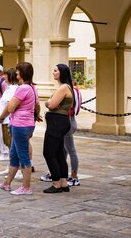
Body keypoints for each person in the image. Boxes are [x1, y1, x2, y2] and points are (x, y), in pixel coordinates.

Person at [0, 61, 40, 195]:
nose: (15, 72)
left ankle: (26, 187)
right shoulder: (31, 87)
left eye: (17, 71)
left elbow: (10, 107)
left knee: (24, 157)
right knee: (14, 156)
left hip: (20, 125)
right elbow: (35, 105)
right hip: (23, 124)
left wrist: (1, 117)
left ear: (22, 73)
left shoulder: (23, 88)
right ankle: (7, 183)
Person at [41, 63, 75, 193]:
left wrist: (48, 103)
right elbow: (53, 105)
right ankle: (63, 182)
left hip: (57, 123)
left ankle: (56, 183)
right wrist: (51, 104)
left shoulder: (62, 88)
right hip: (61, 122)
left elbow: (51, 104)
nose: (53, 73)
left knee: (49, 153)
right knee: (59, 153)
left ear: (62, 72)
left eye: (56, 71)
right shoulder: (66, 87)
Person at [0, 68, 18, 177]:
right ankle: (10, 166)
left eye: (5, 75)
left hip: (8, 120)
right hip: (5, 120)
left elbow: (10, 105)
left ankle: (15, 168)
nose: (4, 77)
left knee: (12, 145)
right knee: (9, 145)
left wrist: (1, 116)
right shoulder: (8, 88)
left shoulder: (13, 88)